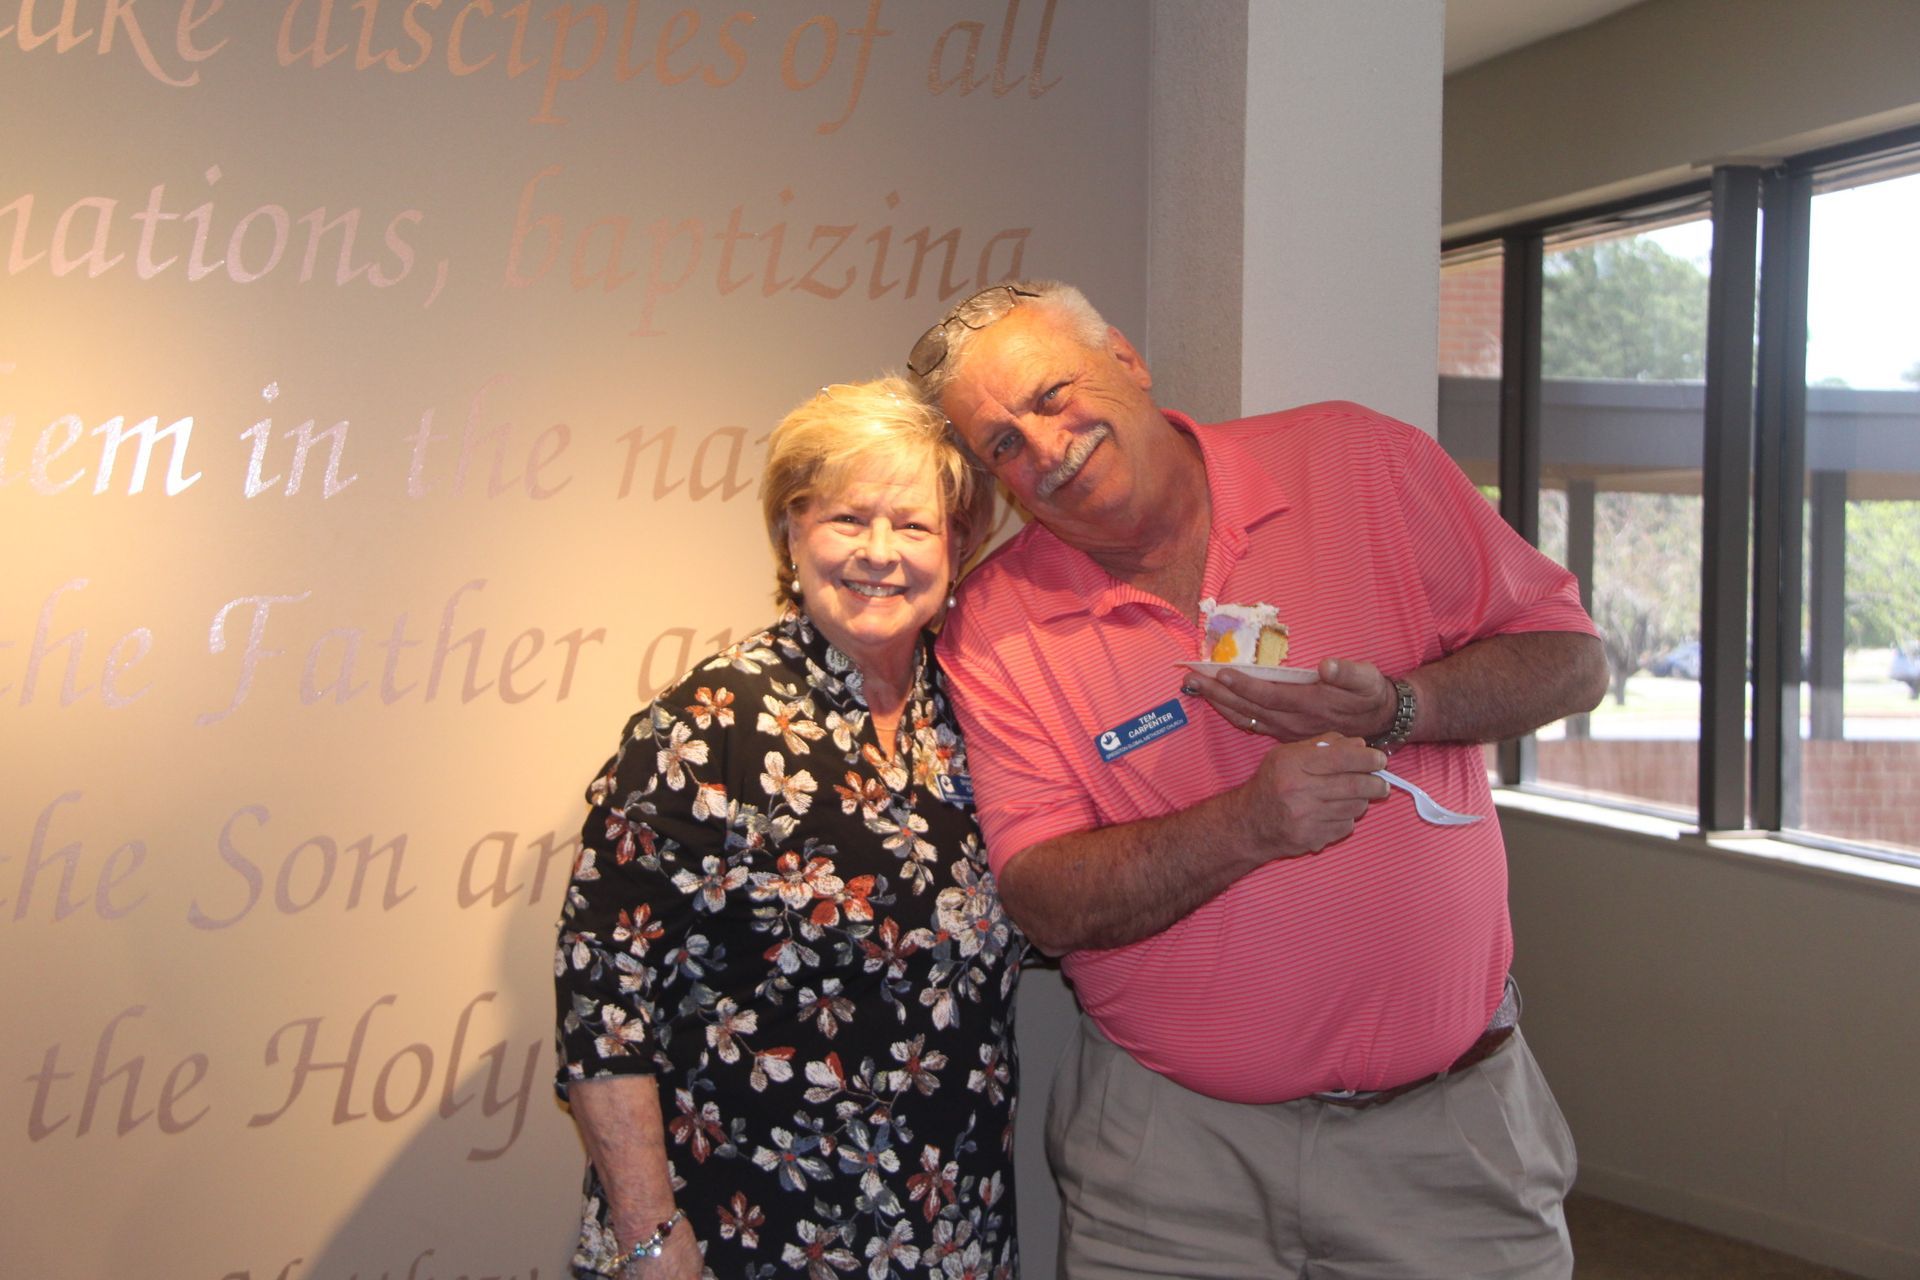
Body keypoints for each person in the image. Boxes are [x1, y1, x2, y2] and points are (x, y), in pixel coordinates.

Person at [907, 281, 1609, 1279]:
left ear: (1125, 358)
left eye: (1053, 394)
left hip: (1449, 1140)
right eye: (1004, 444)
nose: (1047, 447)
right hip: (1173, 1171)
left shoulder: (1358, 463)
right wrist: (1249, 823)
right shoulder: (994, 623)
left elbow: (1571, 659)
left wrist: (1399, 707)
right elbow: (1046, 903)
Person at [553, 377, 1025, 1280]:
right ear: (790, 531)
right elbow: (602, 1006)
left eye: (915, 526)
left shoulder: (978, 718)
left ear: (958, 548)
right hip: (740, 1238)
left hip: (949, 1233)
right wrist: (649, 1239)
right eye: (848, 519)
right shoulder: (708, 726)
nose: (880, 553)